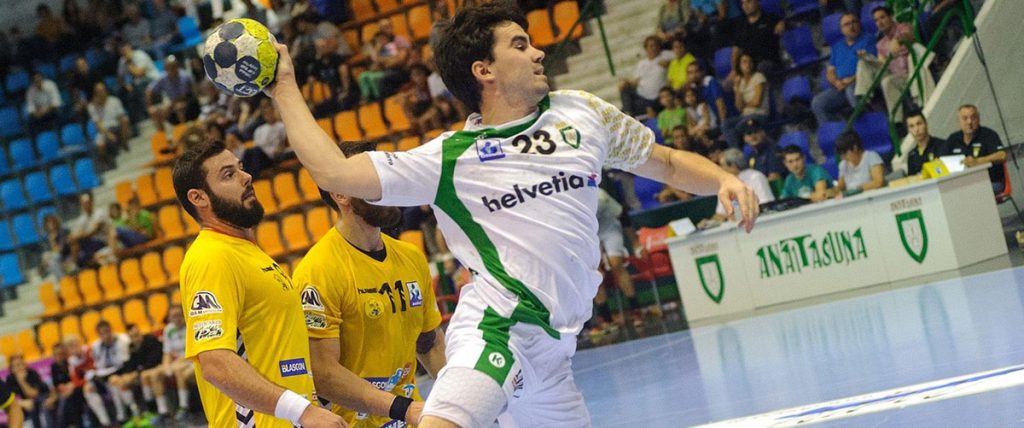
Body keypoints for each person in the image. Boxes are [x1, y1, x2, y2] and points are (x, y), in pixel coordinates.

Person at [268, 1, 759, 426]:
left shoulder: (582, 113)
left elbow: (665, 161)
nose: (539, 52)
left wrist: (723, 179)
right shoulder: (450, 158)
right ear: (484, 70)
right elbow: (334, 172)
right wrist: (285, 86)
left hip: (557, 350)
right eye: (520, 45)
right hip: (499, 328)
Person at [171, 140, 344, 427]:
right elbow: (215, 363)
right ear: (198, 198)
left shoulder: (245, 251)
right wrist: (303, 411)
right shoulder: (211, 257)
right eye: (228, 174)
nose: (246, 176)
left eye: (240, 168)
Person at [294, 141, 447, 427]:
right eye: (371, 178)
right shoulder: (318, 271)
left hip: (407, 417)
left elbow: (429, 344)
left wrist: (459, 403)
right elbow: (324, 374)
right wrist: (402, 408)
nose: (386, 186)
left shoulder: (411, 257)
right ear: (340, 193)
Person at [591, 187, 647, 334]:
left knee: (616, 265)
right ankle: (606, 318)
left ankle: (636, 310)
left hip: (610, 229)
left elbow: (623, 216)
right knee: (595, 272)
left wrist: (635, 242)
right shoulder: (570, 202)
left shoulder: (600, 196)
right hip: (590, 234)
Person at [812, 13, 876, 127]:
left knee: (851, 90)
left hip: (861, 82)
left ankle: (867, 126)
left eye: (854, 22)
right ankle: (838, 131)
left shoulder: (868, 39)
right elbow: (830, 71)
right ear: (842, 30)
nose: (851, 26)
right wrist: (836, 82)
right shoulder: (837, 46)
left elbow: (871, 65)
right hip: (840, 86)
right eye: (847, 24)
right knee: (818, 102)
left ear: (859, 24)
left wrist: (851, 80)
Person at [854, 6, 916, 122]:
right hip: (893, 74)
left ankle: (897, 122)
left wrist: (898, 40)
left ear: (891, 17)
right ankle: (863, 97)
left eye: (882, 17)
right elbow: (882, 65)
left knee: (887, 82)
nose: (880, 22)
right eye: (876, 20)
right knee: (862, 62)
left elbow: (909, 36)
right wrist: (867, 58)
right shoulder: (880, 44)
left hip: (909, 72)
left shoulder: (903, 27)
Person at [943, 104, 1007, 193]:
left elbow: (1002, 155)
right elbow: (942, 161)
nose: (969, 122)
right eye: (965, 118)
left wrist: (977, 161)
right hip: (963, 184)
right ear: (958, 122)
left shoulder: (988, 134)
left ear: (978, 119)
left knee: (967, 192)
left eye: (973, 118)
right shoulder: (953, 139)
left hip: (991, 182)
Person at [107, 323, 164, 422]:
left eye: (137, 335)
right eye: (132, 337)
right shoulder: (131, 347)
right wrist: (127, 376)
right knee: (119, 382)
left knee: (144, 376)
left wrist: (136, 373)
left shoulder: (150, 339)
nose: (136, 339)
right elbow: (130, 366)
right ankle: (135, 413)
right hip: (139, 373)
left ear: (140, 332)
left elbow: (155, 360)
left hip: (154, 369)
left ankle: (154, 409)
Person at [705, 148, 775, 224]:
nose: (720, 169)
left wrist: (738, 215)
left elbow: (766, 205)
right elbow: (720, 214)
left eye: (722, 165)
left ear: (733, 166)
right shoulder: (724, 185)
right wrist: (708, 223)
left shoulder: (756, 177)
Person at [89, 320, 132, 423]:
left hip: (120, 371)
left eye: (107, 331)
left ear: (111, 330)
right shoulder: (96, 346)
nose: (105, 335)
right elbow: (98, 365)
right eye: (102, 333)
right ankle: (105, 421)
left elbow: (123, 362)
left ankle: (124, 414)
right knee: (88, 389)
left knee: (113, 381)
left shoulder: (121, 340)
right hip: (103, 374)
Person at [619, 36, 673, 117]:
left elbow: (677, 57)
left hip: (656, 97)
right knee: (625, 90)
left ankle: (627, 113)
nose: (653, 48)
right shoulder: (642, 64)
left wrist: (669, 63)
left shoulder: (665, 55)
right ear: (646, 48)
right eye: (650, 46)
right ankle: (628, 113)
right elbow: (635, 82)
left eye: (655, 45)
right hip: (641, 97)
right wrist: (625, 82)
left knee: (625, 109)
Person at [727, 0, 784, 76]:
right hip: (749, 65)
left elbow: (786, 23)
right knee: (728, 82)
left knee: (760, 68)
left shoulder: (769, 18)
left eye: (748, 2)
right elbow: (736, 49)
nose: (745, 6)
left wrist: (782, 23)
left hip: (769, 62)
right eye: (743, 3)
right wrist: (734, 70)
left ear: (757, 2)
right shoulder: (741, 25)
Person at [723, 53, 768, 147]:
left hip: (759, 114)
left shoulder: (758, 77)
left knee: (739, 126)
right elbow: (739, 107)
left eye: (750, 61)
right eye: (744, 62)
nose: (748, 64)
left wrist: (744, 104)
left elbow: (757, 102)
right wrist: (737, 88)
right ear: (739, 65)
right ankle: (736, 151)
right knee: (726, 124)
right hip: (744, 115)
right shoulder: (740, 81)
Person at [158, 306, 194, 421]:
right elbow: (167, 353)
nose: (177, 318)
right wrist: (166, 367)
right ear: (169, 318)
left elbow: (193, 351)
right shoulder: (168, 329)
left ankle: (184, 407)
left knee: (178, 371)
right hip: (178, 363)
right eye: (173, 316)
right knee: (156, 374)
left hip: (193, 360)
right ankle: (163, 411)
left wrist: (175, 364)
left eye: (179, 315)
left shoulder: (190, 325)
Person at [146, 56, 198, 133]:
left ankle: (185, 132)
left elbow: (183, 97)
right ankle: (162, 136)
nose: (171, 70)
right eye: (168, 67)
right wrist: (150, 106)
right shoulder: (163, 78)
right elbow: (149, 90)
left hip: (189, 103)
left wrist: (169, 105)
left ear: (177, 66)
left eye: (173, 67)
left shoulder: (184, 76)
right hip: (172, 104)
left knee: (179, 107)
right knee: (155, 112)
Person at [86, 82, 130, 168]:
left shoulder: (114, 100)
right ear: (95, 94)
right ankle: (106, 162)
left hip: (116, 127)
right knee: (99, 144)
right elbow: (98, 124)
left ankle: (124, 144)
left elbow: (121, 117)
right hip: (104, 131)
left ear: (106, 91)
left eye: (103, 91)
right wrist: (108, 134)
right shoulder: (92, 106)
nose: (101, 93)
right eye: (99, 92)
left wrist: (119, 128)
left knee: (125, 120)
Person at [68, 193, 114, 268]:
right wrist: (73, 236)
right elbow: (76, 232)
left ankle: (76, 265)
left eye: (87, 203)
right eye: (83, 204)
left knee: (77, 241)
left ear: (91, 202)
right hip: (91, 243)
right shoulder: (82, 219)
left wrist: (78, 236)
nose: (86, 205)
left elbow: (93, 231)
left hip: (103, 241)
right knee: (73, 242)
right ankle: (75, 265)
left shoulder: (100, 213)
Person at [5, 354, 47, 428]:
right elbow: (8, 400)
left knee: (34, 404)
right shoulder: (10, 379)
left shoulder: (32, 373)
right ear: (11, 369)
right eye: (17, 365)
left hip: (38, 403)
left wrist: (22, 382)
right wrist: (23, 403)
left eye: (21, 364)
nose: (20, 367)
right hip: (22, 407)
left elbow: (33, 394)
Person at [903, 110, 945, 176]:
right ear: (908, 130)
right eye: (911, 126)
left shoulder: (942, 145)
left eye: (919, 124)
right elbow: (912, 179)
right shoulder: (911, 155)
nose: (916, 129)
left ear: (926, 124)